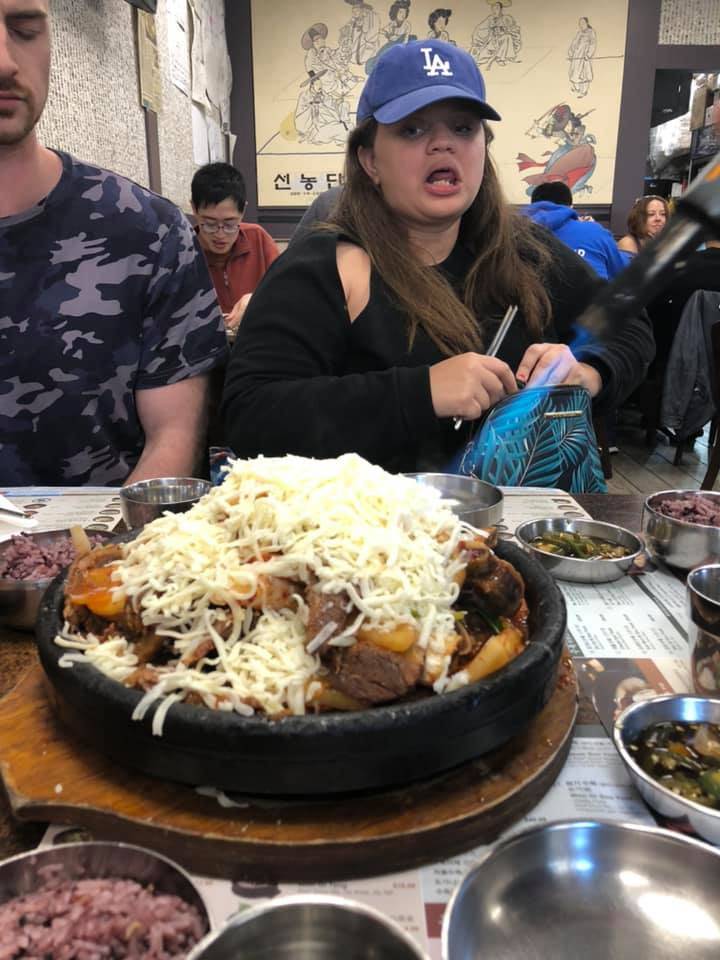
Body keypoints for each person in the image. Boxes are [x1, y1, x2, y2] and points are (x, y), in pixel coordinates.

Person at [222, 40, 653, 475]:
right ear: (369, 159)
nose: (443, 144)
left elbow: (628, 321)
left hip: (513, 514)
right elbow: (250, 415)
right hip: (364, 517)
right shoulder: (320, 267)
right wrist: (420, 393)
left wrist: (589, 371)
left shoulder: (527, 252)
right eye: (412, 130)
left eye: (463, 129)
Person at [0, 0, 227, 486]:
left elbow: (174, 435)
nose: (3, 61)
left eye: (24, 30)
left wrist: (116, 537)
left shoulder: (147, 231)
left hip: (110, 530)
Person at [191, 163, 279, 335]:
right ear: (194, 208)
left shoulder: (258, 239)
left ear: (243, 210)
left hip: (258, 343)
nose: (220, 234)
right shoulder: (183, 251)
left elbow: (289, 291)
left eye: (230, 224)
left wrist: (258, 299)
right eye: (209, 224)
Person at [525, 181, 627, 280]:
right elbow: (622, 274)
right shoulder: (596, 232)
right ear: (571, 207)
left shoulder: (519, 234)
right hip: (592, 291)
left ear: (533, 206)